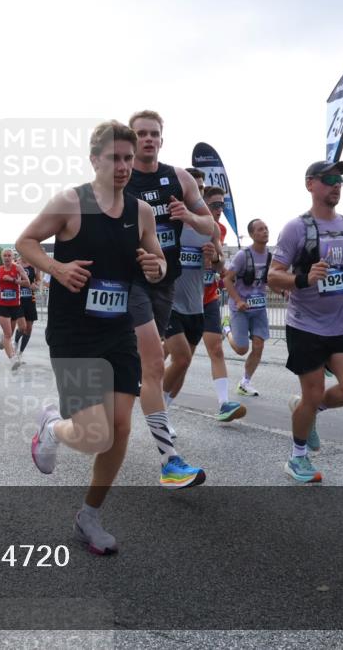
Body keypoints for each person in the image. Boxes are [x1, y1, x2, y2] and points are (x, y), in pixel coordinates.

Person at [18, 120, 168, 554]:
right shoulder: (71, 202)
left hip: (117, 330)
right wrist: (57, 269)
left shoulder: (141, 211)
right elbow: (26, 241)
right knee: (93, 435)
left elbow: (156, 259)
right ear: (95, 160)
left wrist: (157, 267)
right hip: (74, 334)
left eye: (128, 158)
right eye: (115, 159)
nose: (123, 167)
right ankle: (51, 424)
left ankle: (90, 516)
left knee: (120, 428)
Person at [267, 160, 343, 484]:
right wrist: (303, 278)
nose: (336, 184)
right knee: (313, 393)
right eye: (328, 179)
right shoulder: (296, 228)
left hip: (339, 325)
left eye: (340, 179)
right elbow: (272, 276)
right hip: (305, 325)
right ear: (310, 184)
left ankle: (306, 409)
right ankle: (297, 458)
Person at [124, 110, 214, 488]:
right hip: (130, 282)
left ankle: (70, 421)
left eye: (153, 134)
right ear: (131, 139)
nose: (147, 139)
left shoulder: (177, 178)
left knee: (136, 369)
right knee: (154, 363)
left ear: (162, 139)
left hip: (166, 282)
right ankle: (169, 461)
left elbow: (209, 224)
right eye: (140, 134)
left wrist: (189, 218)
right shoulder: (121, 177)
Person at [162, 211, 221, 434]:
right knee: (181, 358)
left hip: (196, 306)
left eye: (200, 190)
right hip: (169, 303)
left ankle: (163, 410)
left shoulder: (209, 228)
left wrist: (214, 257)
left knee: (183, 365)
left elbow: (220, 265)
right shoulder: (168, 225)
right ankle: (157, 409)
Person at [199, 187, 247, 421]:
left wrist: (218, 263)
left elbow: (217, 263)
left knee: (216, 349)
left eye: (222, 205)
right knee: (174, 354)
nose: (220, 210)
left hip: (208, 297)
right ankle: (157, 400)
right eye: (215, 205)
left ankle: (223, 403)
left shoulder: (220, 229)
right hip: (182, 300)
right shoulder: (186, 225)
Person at [222, 219, 271, 396]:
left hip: (259, 309)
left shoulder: (270, 256)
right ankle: (226, 328)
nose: (265, 231)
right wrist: (238, 300)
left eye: (266, 228)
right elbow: (227, 279)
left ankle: (245, 382)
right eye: (260, 229)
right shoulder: (243, 255)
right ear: (251, 234)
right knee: (242, 349)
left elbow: (268, 280)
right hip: (240, 309)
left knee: (258, 346)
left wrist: (283, 292)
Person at [0, 248, 28, 371]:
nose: (7, 257)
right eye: (5, 255)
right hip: (2, 305)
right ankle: (13, 359)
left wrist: (13, 280)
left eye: (9, 255)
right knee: (9, 334)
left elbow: (27, 283)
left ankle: (2, 338)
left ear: (13, 257)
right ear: (2, 257)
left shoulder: (17, 268)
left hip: (15, 305)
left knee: (14, 331)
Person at [14, 254, 41, 360]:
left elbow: (38, 280)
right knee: (22, 327)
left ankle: (20, 353)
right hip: (17, 300)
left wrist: (36, 285)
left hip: (30, 300)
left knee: (28, 329)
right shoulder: (15, 264)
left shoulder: (35, 265)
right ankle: (15, 343)